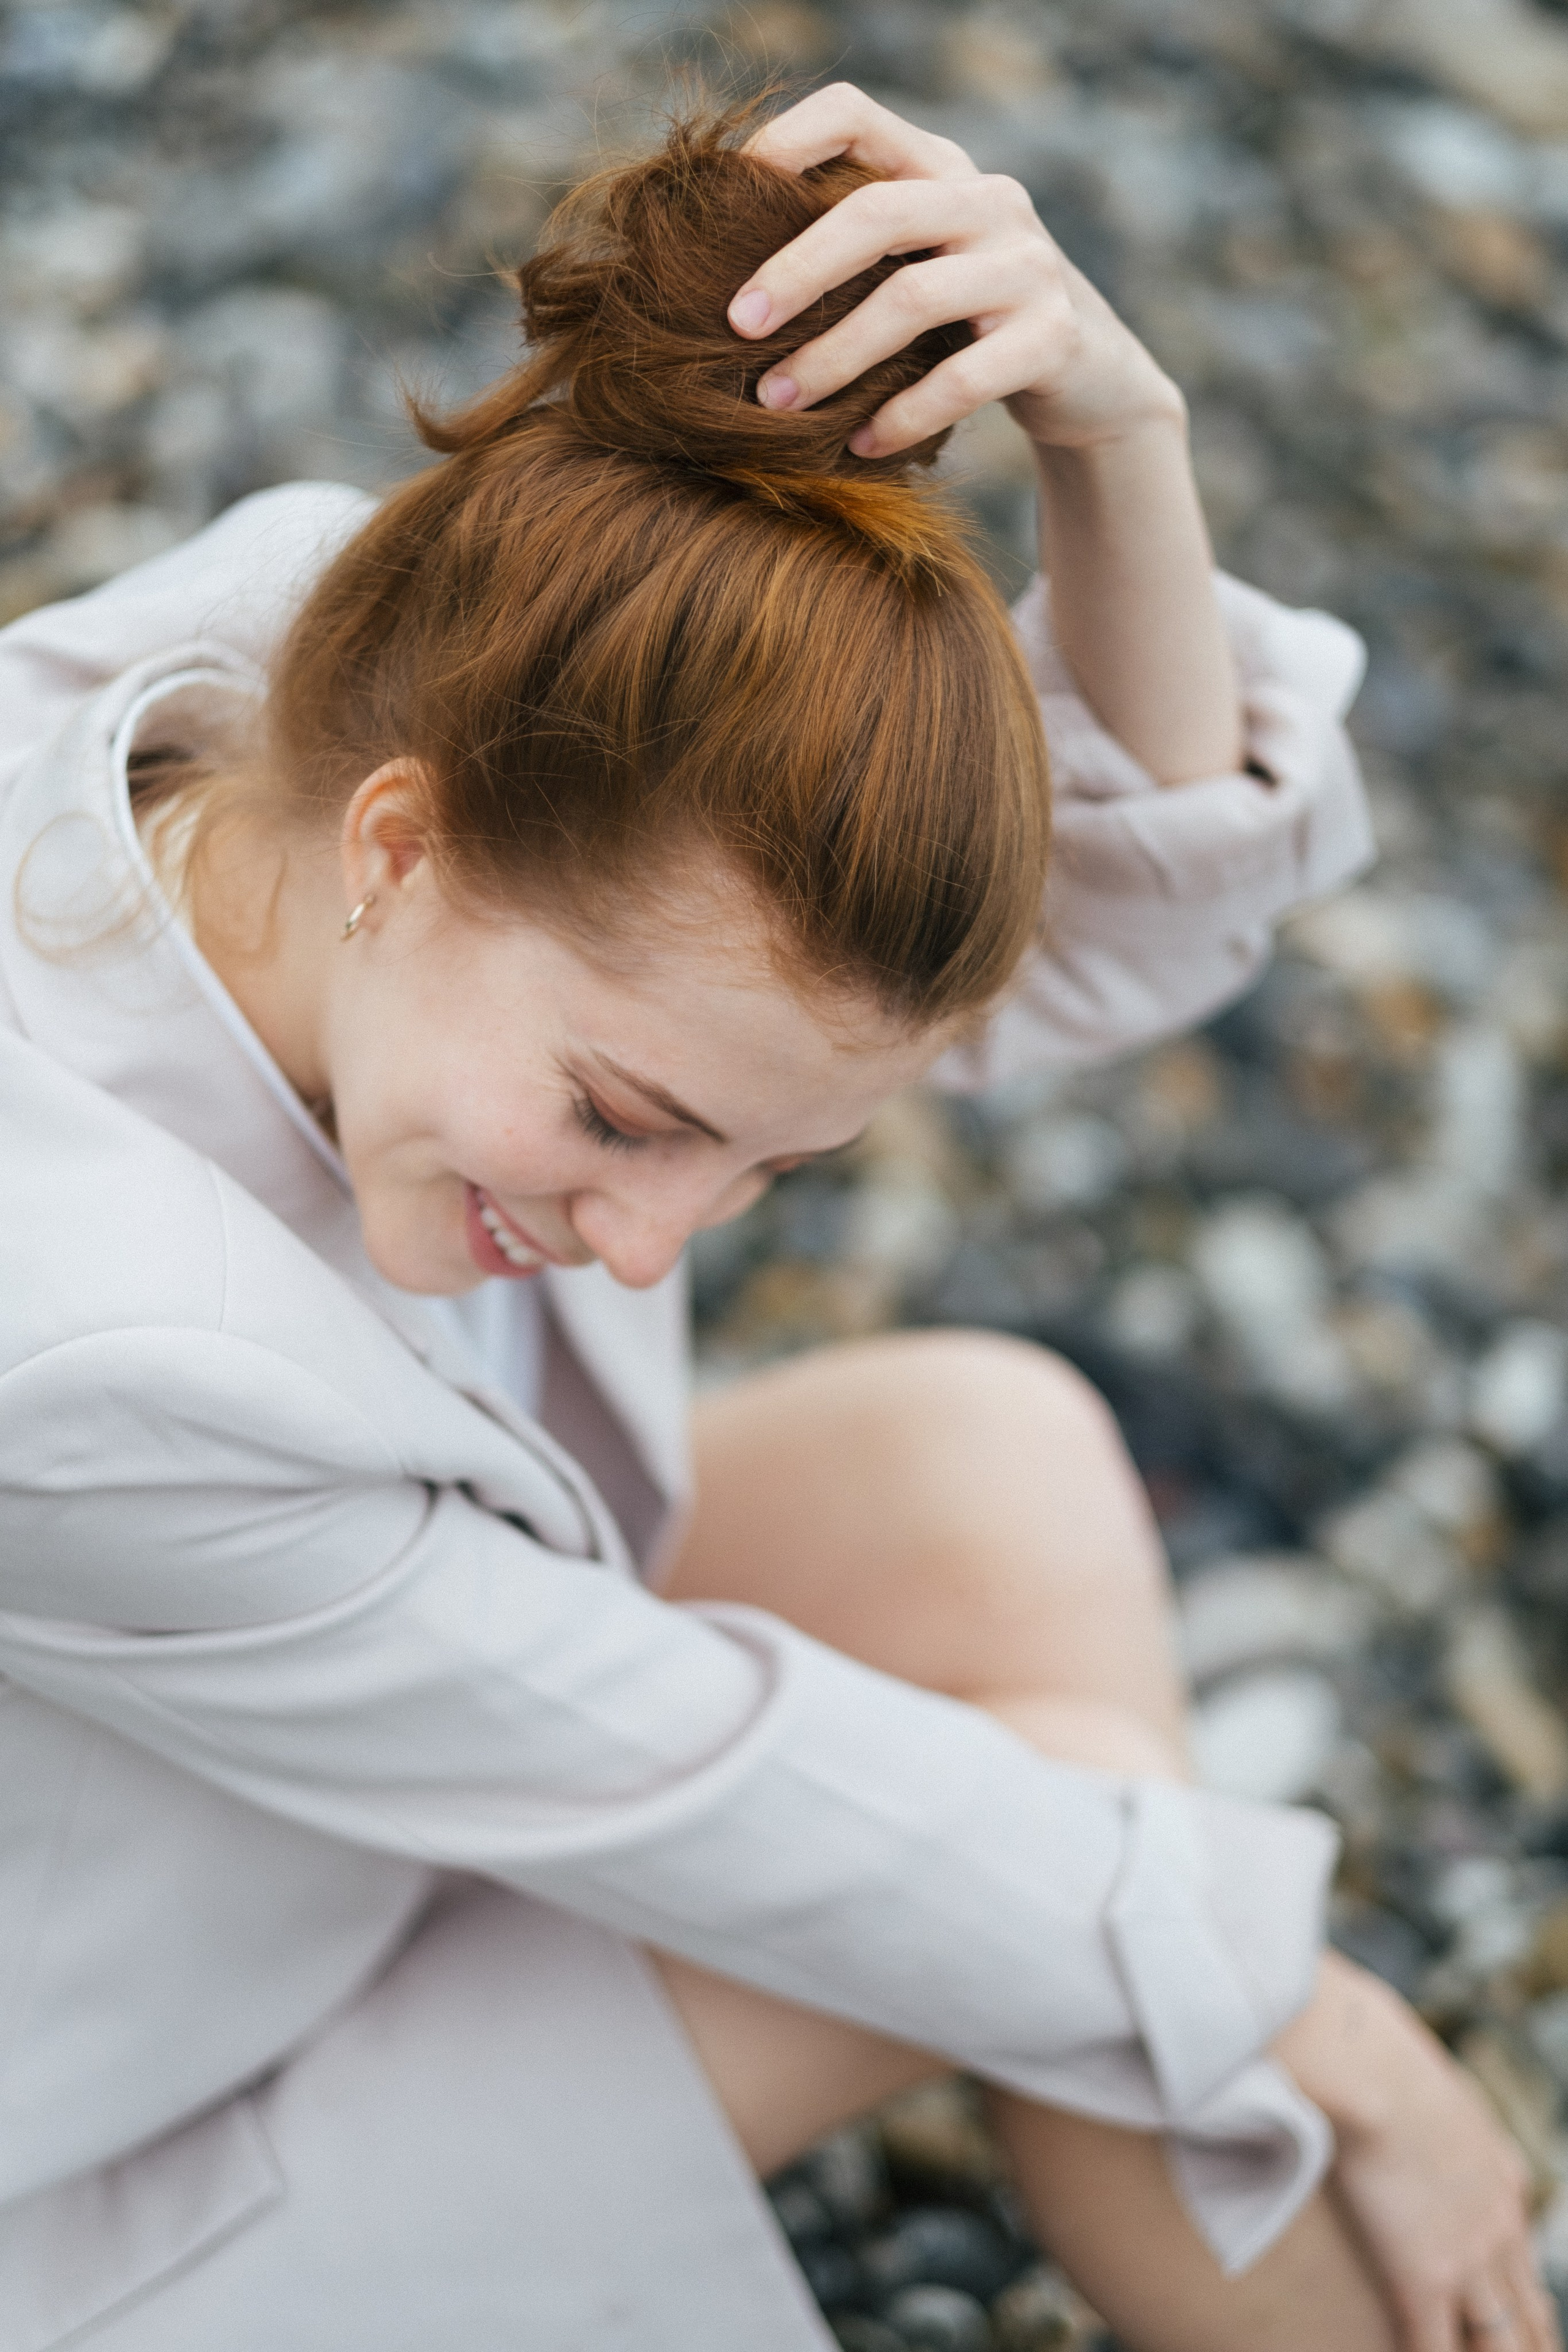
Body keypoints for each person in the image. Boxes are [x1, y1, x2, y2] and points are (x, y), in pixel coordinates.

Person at [0, 80, 1553, 2352]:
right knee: (1103, 1877)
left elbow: (1088, 926)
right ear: (401, 849)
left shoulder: (303, 665)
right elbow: (687, 1772)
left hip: (295, 1835)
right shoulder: (89, 1341)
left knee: (993, 1472)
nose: (658, 1248)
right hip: (105, 2160)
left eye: (765, 1166)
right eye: (626, 1118)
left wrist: (1121, 445)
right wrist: (1303, 2003)